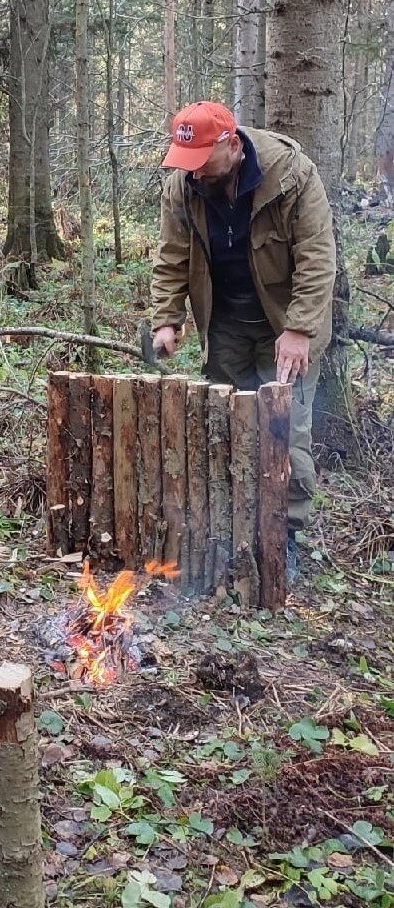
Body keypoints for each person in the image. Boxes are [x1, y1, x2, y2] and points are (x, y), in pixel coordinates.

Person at [150, 101, 336, 578]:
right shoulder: (184, 184)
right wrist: (167, 318)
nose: (194, 173)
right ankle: (228, 531)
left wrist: (299, 330)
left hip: (284, 324)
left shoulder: (291, 174)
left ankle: (283, 537)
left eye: (202, 161)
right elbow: (172, 254)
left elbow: (317, 258)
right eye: (185, 160)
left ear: (232, 145)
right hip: (226, 323)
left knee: (284, 432)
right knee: (225, 425)